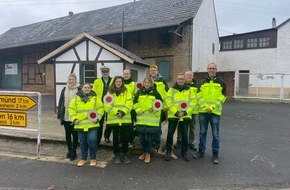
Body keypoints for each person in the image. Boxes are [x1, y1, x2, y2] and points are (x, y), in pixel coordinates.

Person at [193, 62, 226, 164]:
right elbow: (198, 96)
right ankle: (201, 151)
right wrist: (204, 106)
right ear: (207, 70)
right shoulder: (201, 82)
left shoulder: (221, 83)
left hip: (215, 112)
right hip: (203, 112)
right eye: (210, 68)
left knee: (215, 134)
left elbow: (222, 97)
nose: (211, 70)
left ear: (216, 70)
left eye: (213, 68)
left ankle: (215, 154)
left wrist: (212, 107)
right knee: (202, 132)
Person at [68, 83, 104, 167]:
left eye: (88, 87)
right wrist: (74, 119)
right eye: (85, 87)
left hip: (92, 124)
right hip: (80, 124)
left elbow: (101, 109)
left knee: (92, 141)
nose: (87, 89)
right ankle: (83, 158)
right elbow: (71, 109)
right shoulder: (76, 99)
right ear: (82, 88)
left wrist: (97, 118)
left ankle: (93, 158)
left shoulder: (96, 98)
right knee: (83, 142)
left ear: (91, 88)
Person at [164, 73, 197, 162]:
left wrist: (185, 112)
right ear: (177, 79)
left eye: (182, 79)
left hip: (185, 116)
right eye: (179, 79)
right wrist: (176, 112)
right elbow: (168, 101)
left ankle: (184, 152)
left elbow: (193, 102)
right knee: (170, 134)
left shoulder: (189, 90)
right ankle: (168, 151)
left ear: (184, 80)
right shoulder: (171, 90)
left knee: (185, 135)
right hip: (174, 115)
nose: (180, 80)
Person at [104, 76, 133, 164]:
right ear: (114, 82)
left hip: (125, 119)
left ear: (122, 82)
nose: (118, 83)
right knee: (115, 138)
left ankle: (124, 154)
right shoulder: (109, 93)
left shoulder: (127, 92)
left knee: (125, 137)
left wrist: (123, 112)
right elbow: (107, 105)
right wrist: (117, 112)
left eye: (120, 81)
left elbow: (129, 103)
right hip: (114, 119)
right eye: (117, 81)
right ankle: (116, 154)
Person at [133, 77, 162, 163]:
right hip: (141, 119)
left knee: (149, 138)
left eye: (148, 82)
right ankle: (145, 152)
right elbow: (134, 102)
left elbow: (159, 104)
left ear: (151, 83)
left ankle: (147, 154)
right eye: (145, 82)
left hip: (151, 121)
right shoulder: (139, 92)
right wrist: (138, 110)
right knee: (142, 138)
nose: (146, 84)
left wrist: (153, 109)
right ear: (143, 83)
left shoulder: (156, 93)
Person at [57, 73, 80, 161]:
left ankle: (74, 151)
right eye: (69, 79)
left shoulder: (79, 89)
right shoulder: (64, 89)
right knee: (67, 133)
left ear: (75, 80)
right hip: (66, 115)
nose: (71, 81)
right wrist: (60, 115)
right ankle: (69, 150)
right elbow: (61, 102)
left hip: (74, 115)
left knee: (75, 134)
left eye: (72, 80)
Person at [174, 70, 198, 151]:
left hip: (192, 110)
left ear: (193, 76)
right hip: (182, 110)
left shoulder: (196, 85)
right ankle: (179, 141)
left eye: (190, 75)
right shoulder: (181, 85)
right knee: (180, 126)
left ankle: (190, 142)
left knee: (192, 127)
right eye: (187, 75)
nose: (188, 76)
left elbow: (197, 98)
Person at [148, 64, 169, 151]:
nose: (153, 72)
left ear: (157, 72)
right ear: (149, 72)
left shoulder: (163, 81)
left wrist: (166, 106)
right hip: (149, 107)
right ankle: (151, 140)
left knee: (158, 125)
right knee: (151, 124)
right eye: (151, 70)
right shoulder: (147, 81)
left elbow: (167, 94)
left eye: (154, 70)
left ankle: (157, 141)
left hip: (159, 106)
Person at [92, 65, 113, 144]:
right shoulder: (97, 81)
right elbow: (93, 93)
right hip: (100, 104)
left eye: (106, 72)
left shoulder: (113, 80)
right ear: (101, 73)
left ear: (109, 72)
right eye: (103, 72)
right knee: (99, 122)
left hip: (110, 104)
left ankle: (107, 137)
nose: (105, 73)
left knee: (109, 122)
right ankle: (98, 139)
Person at [123, 69, 137, 147]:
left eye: (127, 74)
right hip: (123, 108)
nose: (126, 75)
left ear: (130, 75)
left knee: (131, 125)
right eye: (124, 74)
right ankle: (122, 140)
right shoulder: (121, 84)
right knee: (123, 125)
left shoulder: (133, 84)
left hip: (131, 108)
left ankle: (131, 140)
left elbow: (136, 95)